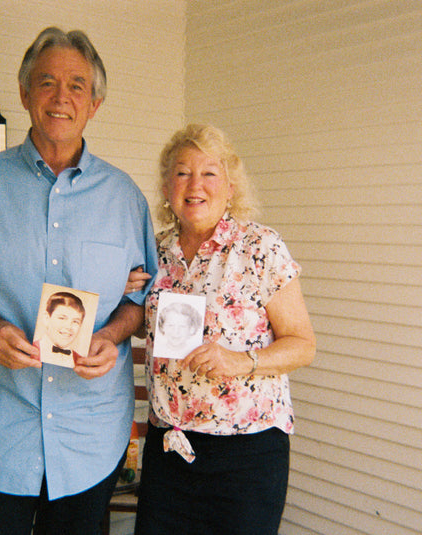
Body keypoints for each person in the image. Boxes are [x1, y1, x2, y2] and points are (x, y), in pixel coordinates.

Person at [0, 26, 157, 535]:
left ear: (94, 104)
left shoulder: (124, 198)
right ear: (25, 94)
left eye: (77, 86)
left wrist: (112, 334)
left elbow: (141, 299)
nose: (60, 97)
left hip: (89, 436)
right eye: (46, 82)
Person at [133, 124, 316, 535]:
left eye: (209, 173)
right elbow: (140, 326)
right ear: (166, 187)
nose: (194, 185)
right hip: (169, 449)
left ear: (231, 187)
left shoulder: (260, 247)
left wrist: (240, 361)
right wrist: (125, 291)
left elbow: (303, 345)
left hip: (245, 457)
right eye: (182, 173)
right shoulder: (154, 250)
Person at [34, 291, 86, 368]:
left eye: (75, 321)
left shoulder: (81, 361)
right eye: (62, 318)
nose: (68, 326)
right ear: (47, 318)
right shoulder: (29, 349)